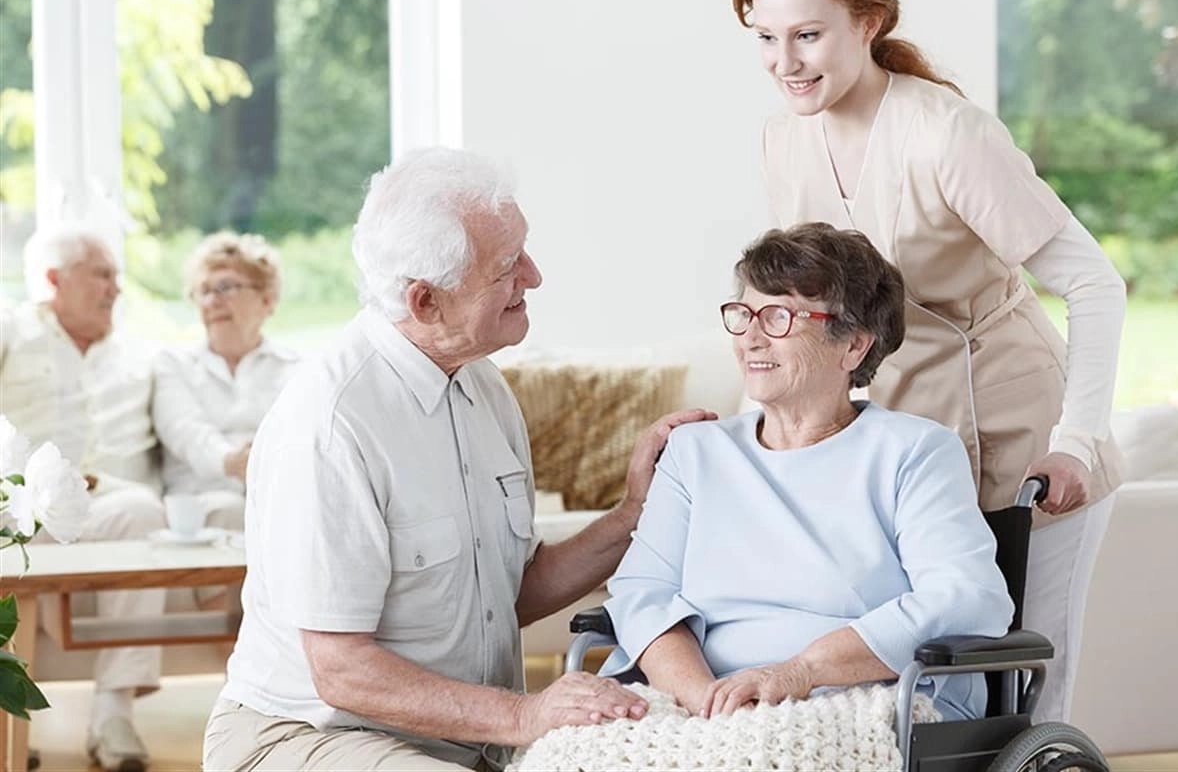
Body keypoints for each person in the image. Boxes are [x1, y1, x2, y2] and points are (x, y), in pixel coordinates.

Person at [203, 147, 716, 772]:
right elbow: (341, 670)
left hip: (454, 741)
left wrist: (634, 512)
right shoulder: (331, 426)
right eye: (507, 265)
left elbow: (506, 594)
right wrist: (526, 715)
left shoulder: (481, 385)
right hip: (305, 734)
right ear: (426, 302)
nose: (534, 275)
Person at [731, 0, 1126, 723]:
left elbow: (1096, 285)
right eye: (766, 38)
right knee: (918, 685)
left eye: (807, 35)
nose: (785, 61)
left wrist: (1075, 440)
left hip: (1023, 437)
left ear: (869, 22)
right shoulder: (784, 139)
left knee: (1026, 682)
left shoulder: (948, 134)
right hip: (904, 445)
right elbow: (802, 308)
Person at [600, 222, 1012, 721]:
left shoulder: (915, 452)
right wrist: (705, 702)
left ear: (854, 345)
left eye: (778, 317)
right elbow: (643, 594)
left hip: (857, 697)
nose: (750, 337)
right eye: (744, 314)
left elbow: (966, 598)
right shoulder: (694, 451)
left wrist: (800, 672)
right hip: (696, 699)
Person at [0, 223, 166, 772]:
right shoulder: (12, 329)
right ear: (53, 279)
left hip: (101, 501)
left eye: (116, 277)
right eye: (102, 274)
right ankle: (8, 722)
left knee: (143, 509)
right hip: (15, 502)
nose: (115, 288)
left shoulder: (134, 352)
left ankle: (113, 715)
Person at [152, 231, 300, 532]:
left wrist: (259, 465)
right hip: (196, 509)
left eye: (225, 287)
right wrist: (235, 461)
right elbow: (185, 432)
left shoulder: (297, 369)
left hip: (277, 498)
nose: (211, 301)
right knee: (230, 511)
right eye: (202, 291)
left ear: (267, 300)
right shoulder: (174, 365)